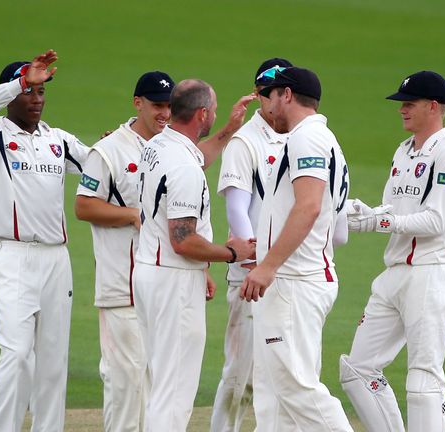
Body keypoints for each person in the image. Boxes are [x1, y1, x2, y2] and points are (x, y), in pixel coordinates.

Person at [0, 50, 90, 432]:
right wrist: (18, 80)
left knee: (53, 361)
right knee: (18, 354)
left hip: (56, 260)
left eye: (40, 91)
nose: (36, 99)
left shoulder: (59, 140)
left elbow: (101, 168)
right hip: (13, 257)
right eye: (28, 91)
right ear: (10, 93)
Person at [339, 70, 445, 432]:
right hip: (394, 272)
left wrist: (380, 223)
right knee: (356, 369)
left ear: (433, 106)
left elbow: (436, 222)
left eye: (409, 104)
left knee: (423, 377)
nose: (402, 110)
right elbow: (391, 210)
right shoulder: (404, 151)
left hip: (431, 272)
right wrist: (361, 214)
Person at [133, 79, 257, 432]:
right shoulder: (184, 168)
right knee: (175, 392)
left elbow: (194, 159)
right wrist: (232, 252)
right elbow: (183, 240)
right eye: (214, 111)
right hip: (174, 281)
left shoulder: (158, 146)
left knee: (162, 382)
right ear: (202, 114)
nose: (216, 115)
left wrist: (229, 130)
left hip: (149, 272)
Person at [240, 67, 354, 432]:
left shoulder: (307, 139)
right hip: (301, 276)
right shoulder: (324, 139)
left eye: (270, 94)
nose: (266, 104)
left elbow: (309, 207)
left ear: (286, 95)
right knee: (277, 395)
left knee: (296, 387)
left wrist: (268, 265)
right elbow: (334, 228)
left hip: (294, 280)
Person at [74, 70, 175, 432]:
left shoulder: (171, 147)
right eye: (157, 105)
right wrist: (131, 214)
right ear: (138, 103)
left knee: (155, 385)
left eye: (169, 106)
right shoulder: (109, 150)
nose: (164, 113)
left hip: (161, 288)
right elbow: (84, 206)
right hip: (122, 288)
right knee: (126, 384)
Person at [210, 57, 292, 432]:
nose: (277, 103)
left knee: (284, 377)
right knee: (241, 377)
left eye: (283, 94)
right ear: (259, 95)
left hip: (291, 274)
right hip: (251, 276)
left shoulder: (302, 137)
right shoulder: (246, 143)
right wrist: (258, 262)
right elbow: (237, 210)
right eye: (270, 94)